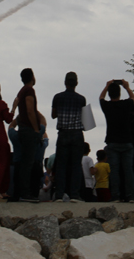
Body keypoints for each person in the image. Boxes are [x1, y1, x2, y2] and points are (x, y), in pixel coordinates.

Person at [99, 79, 134, 202]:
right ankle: (130, 196)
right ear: (120, 93)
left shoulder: (107, 106)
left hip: (113, 141)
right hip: (126, 140)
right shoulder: (126, 104)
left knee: (114, 171)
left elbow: (101, 97)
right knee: (128, 170)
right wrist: (127, 87)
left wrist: (106, 86)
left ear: (110, 94)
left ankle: (116, 196)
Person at [51, 71, 86, 203]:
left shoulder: (57, 97)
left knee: (61, 165)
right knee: (76, 165)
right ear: (76, 83)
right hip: (77, 133)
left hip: (63, 133)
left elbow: (53, 115)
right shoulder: (81, 99)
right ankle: (74, 195)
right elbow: (86, 120)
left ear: (65, 82)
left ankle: (59, 195)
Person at [15, 68, 42, 203]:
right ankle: (25, 193)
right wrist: (36, 129)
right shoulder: (29, 91)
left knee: (25, 162)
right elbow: (30, 110)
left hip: (22, 129)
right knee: (28, 163)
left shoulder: (21, 91)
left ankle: (23, 192)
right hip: (28, 130)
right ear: (32, 77)